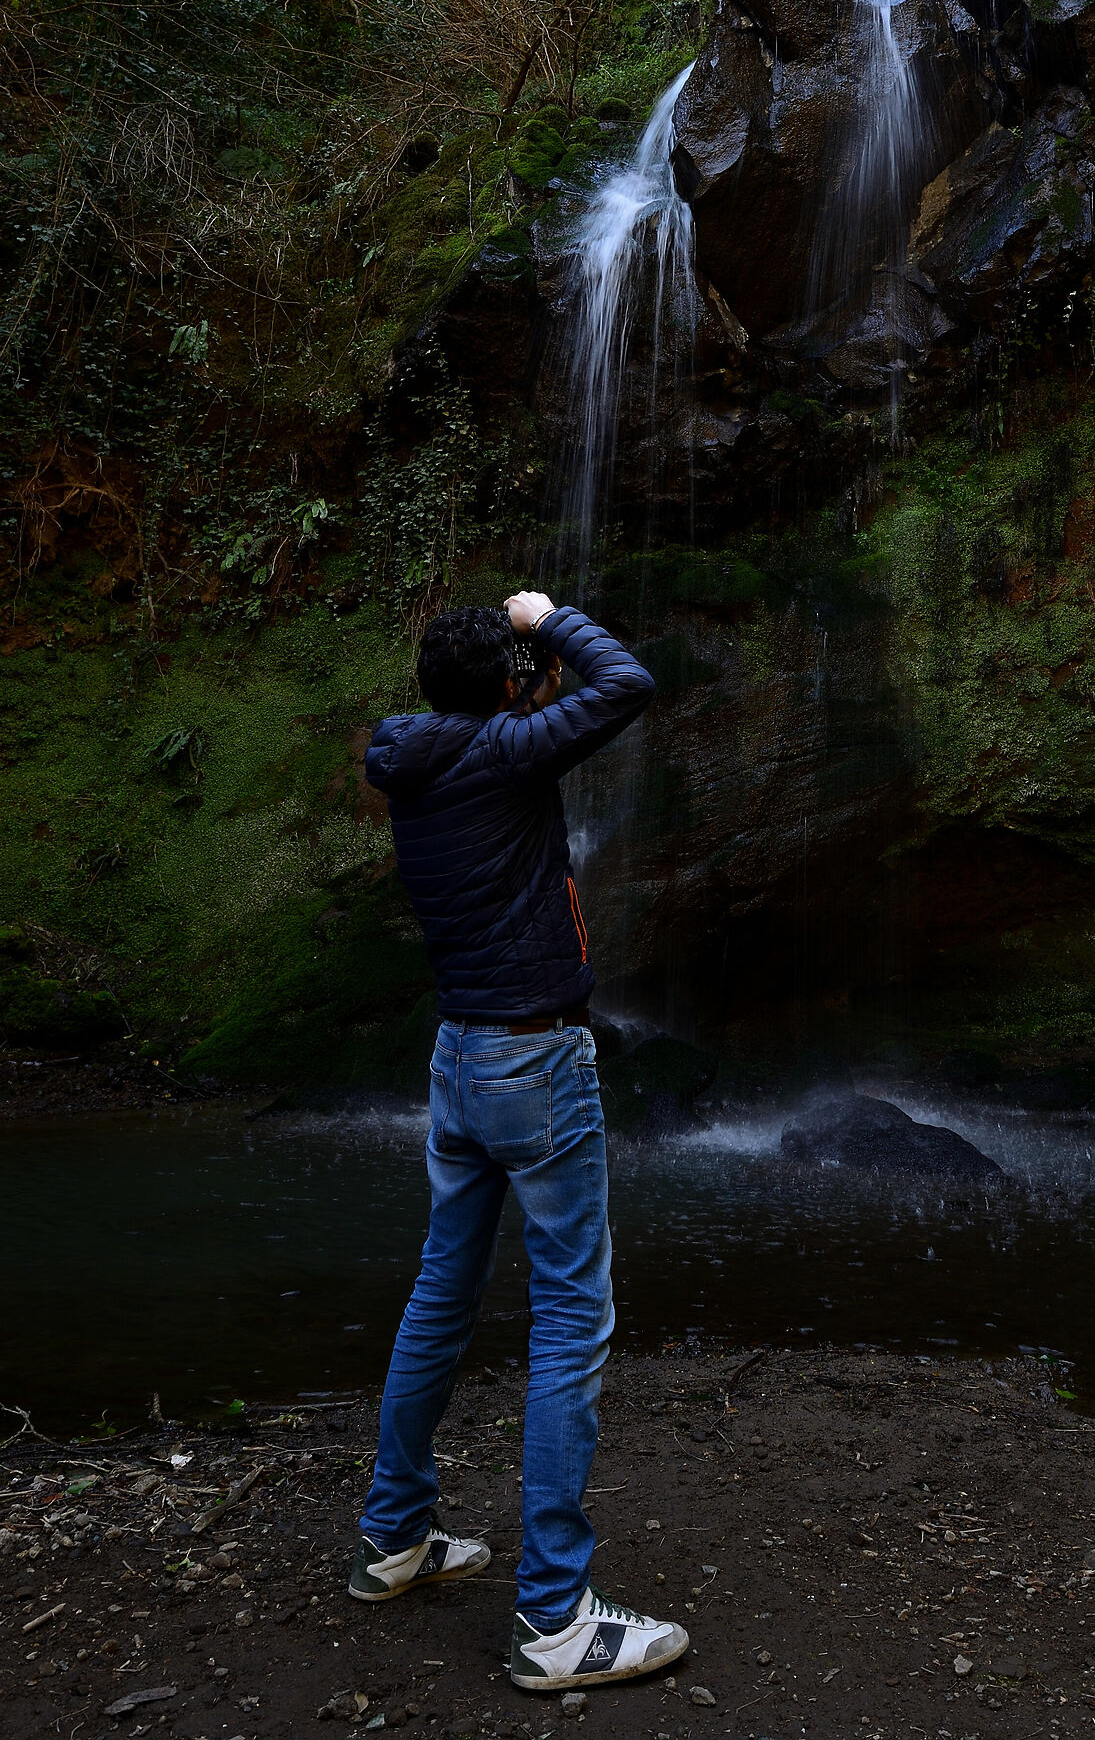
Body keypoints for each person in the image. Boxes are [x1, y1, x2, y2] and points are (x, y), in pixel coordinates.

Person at [348, 589, 687, 1694]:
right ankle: (553, 1621)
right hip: (533, 1062)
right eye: (524, 670)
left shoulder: (411, 755)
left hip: (456, 1057)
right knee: (571, 1318)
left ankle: (395, 1536)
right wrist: (549, 616)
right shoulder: (503, 750)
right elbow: (627, 683)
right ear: (508, 683)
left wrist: (523, 657)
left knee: (441, 1292)